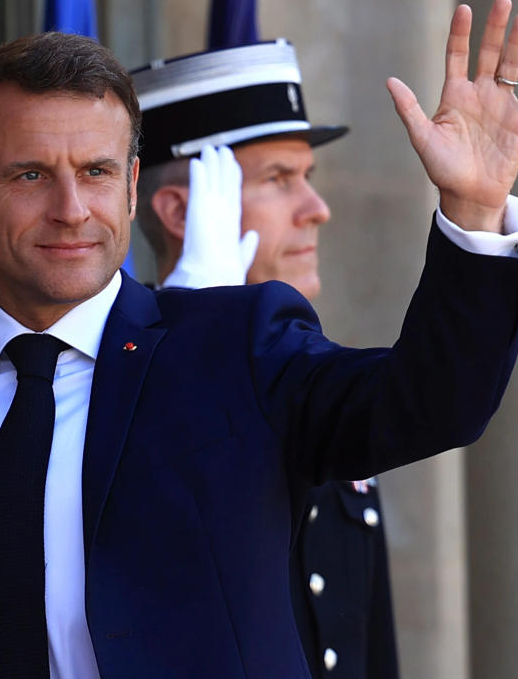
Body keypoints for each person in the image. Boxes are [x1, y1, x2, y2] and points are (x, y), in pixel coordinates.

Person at [0, 0, 518, 679]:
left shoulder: (237, 347)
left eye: (96, 173)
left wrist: (472, 211)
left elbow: (430, 404)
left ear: (130, 188)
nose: (71, 209)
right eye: (30, 175)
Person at [132, 40, 398, 678]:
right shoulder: (116, 387)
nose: (318, 209)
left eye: (307, 177)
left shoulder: (317, 381)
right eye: (280, 180)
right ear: (183, 211)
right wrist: (194, 329)